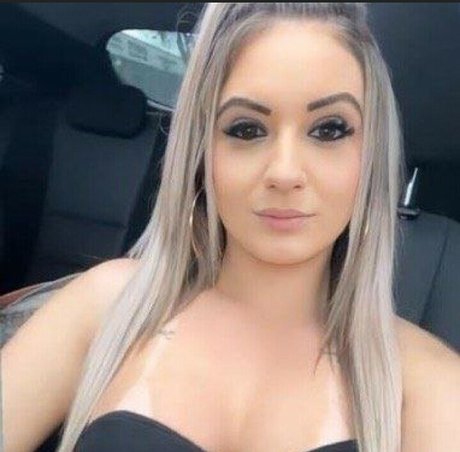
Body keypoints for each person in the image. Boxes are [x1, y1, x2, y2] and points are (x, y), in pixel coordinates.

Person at [3, 3, 460, 452]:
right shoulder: (109, 305)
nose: (284, 172)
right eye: (246, 130)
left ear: (371, 154)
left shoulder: (426, 386)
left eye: (329, 129)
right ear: (202, 152)